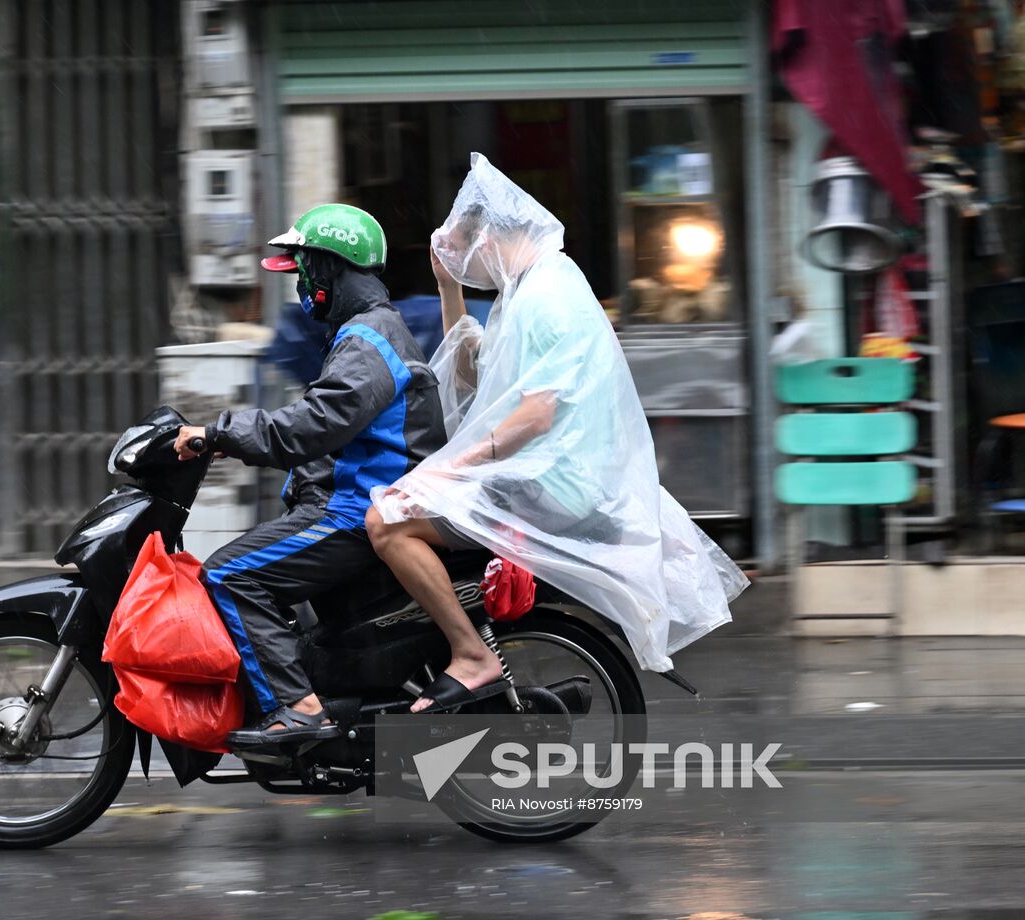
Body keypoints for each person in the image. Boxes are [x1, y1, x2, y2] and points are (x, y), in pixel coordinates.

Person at [368, 154, 747, 711]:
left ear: (492, 240)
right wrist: (448, 288)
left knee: (387, 523)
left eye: (471, 257)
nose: (475, 268)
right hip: (544, 476)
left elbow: (534, 416)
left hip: (552, 486)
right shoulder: (529, 289)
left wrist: (447, 469)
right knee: (412, 499)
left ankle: (471, 655)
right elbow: (472, 373)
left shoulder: (546, 297)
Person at [174, 204, 447, 748]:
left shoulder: (368, 340)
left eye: (305, 270)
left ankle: (298, 711)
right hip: (350, 499)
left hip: (355, 510)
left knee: (230, 574)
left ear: (330, 268)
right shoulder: (363, 334)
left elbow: (316, 424)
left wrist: (223, 432)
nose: (301, 283)